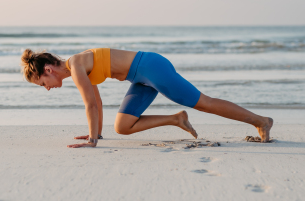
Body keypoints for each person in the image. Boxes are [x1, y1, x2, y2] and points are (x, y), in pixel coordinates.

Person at [21, 48, 273, 148]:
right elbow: (96, 102)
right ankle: (176, 119)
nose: (47, 88)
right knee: (122, 126)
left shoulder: (75, 65)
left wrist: (92, 142)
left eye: (43, 83)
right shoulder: (77, 67)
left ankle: (261, 121)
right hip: (139, 78)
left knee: (203, 102)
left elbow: (89, 104)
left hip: (151, 67)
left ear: (48, 70)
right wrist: (94, 134)